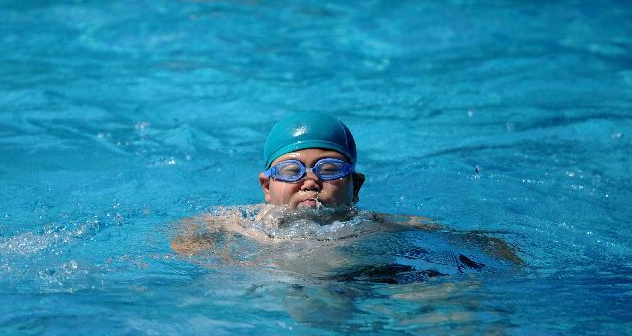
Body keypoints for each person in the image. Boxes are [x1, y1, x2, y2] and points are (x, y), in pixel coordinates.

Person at [171, 113, 522, 269]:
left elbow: (471, 241)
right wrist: (226, 262)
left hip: (362, 284)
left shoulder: (380, 226)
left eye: (329, 169)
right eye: (292, 171)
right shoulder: (237, 222)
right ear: (267, 186)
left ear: (355, 185)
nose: (310, 181)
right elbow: (185, 240)